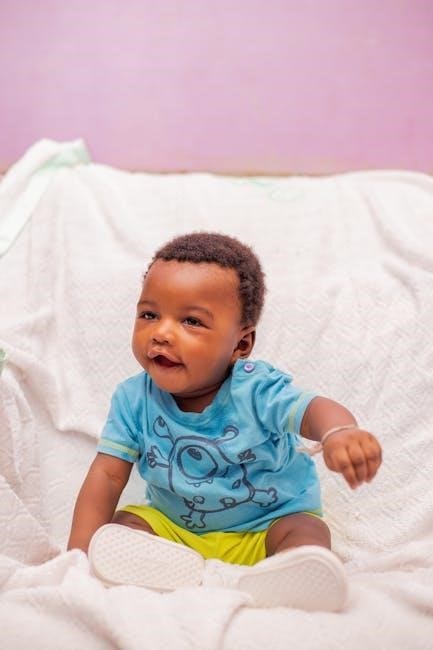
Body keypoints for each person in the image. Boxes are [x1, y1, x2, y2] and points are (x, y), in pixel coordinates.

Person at [68, 232, 382, 611]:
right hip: (175, 531)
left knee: (307, 531)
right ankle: (169, 571)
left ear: (241, 344)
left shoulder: (257, 389)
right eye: (149, 314)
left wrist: (339, 432)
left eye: (191, 321)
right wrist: (78, 557)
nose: (161, 333)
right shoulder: (133, 398)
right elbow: (107, 475)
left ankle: (286, 575)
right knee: (123, 526)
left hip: (267, 525)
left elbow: (312, 409)